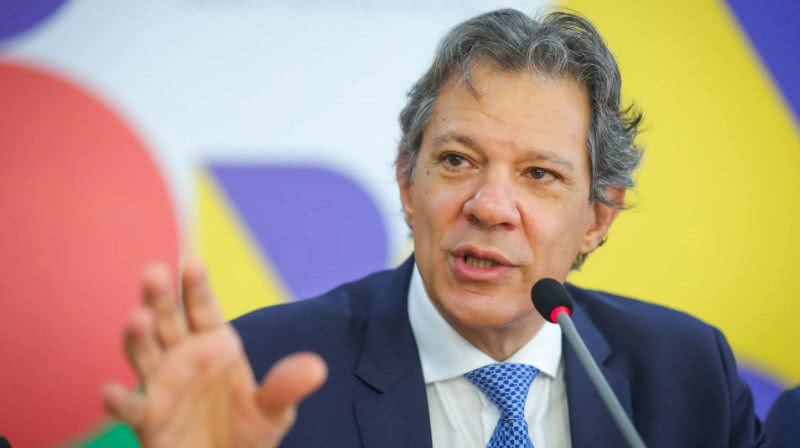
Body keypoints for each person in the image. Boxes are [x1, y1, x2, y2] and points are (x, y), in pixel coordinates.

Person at [102, 8, 768, 447]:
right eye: (457, 160)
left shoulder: (687, 375)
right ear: (406, 182)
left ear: (598, 217)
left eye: (539, 174)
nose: (490, 206)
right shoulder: (266, 370)